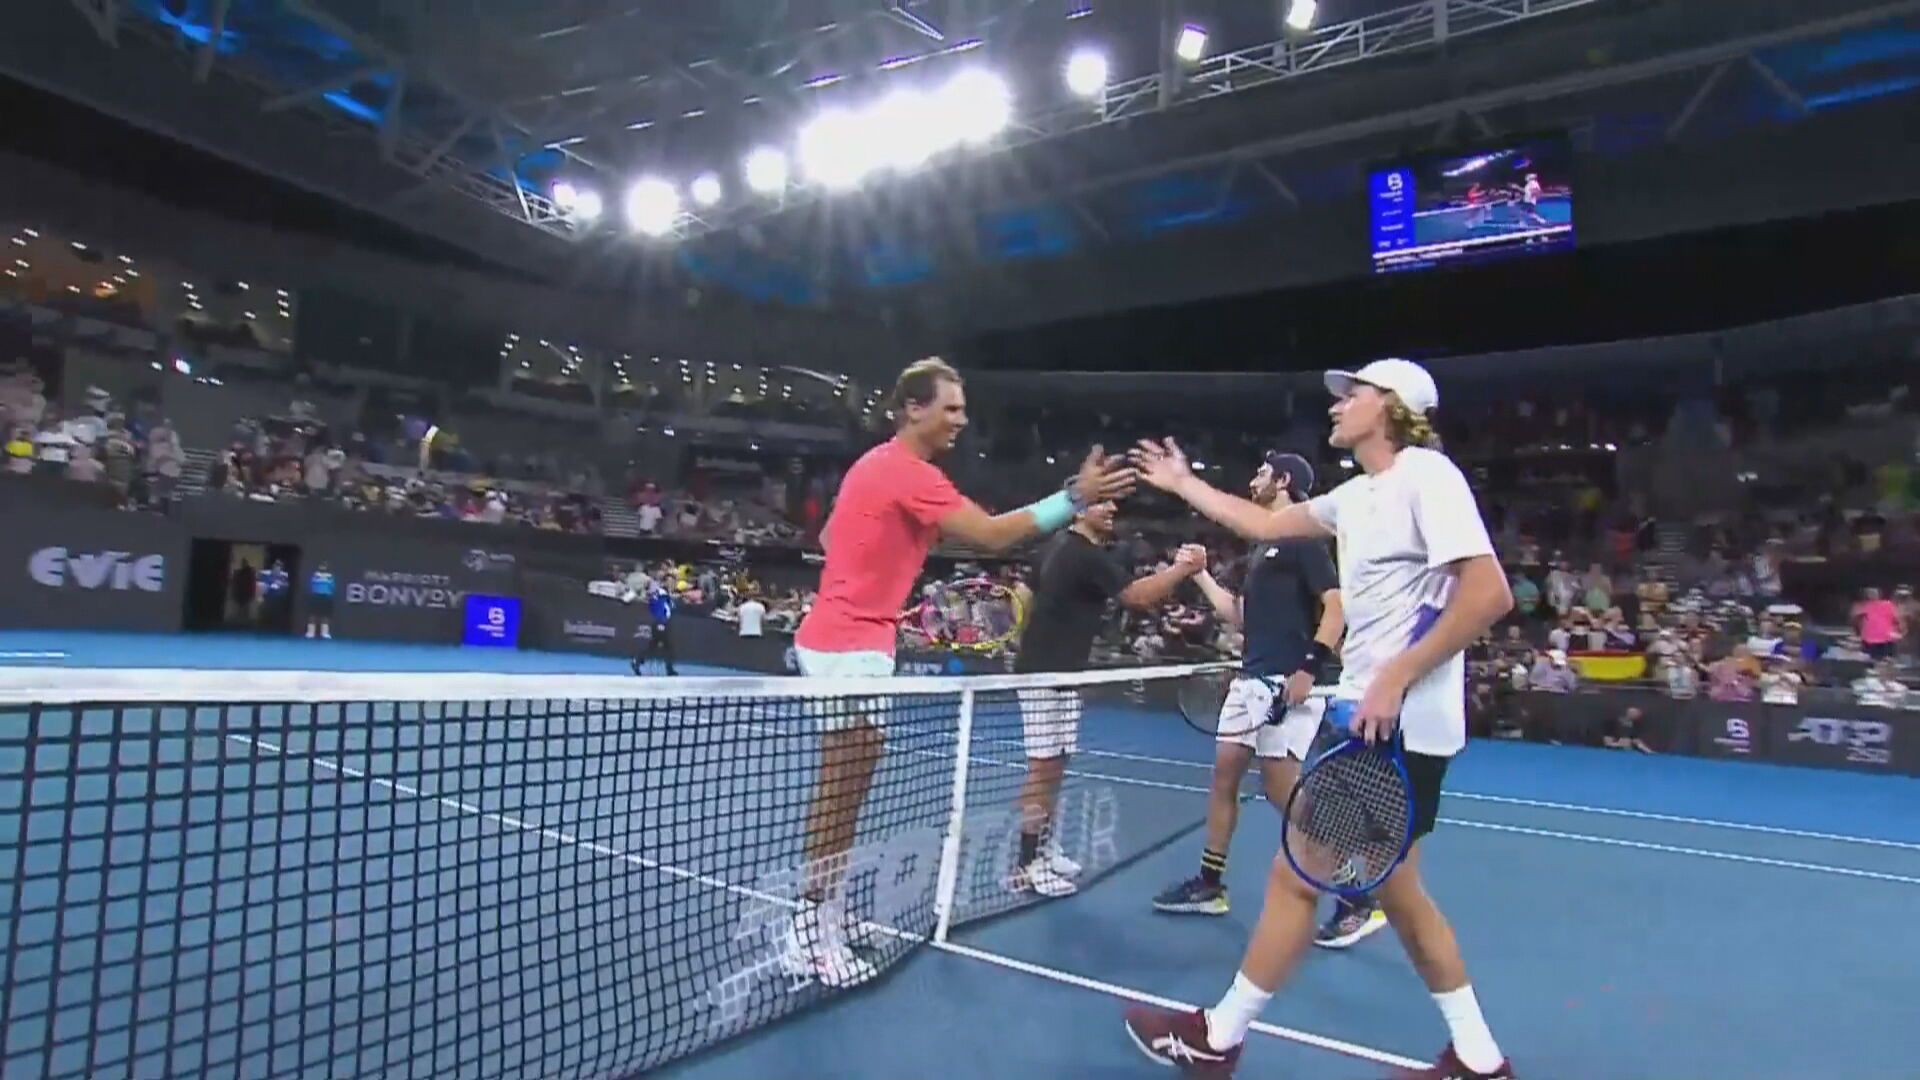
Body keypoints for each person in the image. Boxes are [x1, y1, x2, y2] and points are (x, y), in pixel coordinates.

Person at [1122, 358, 1517, 1079]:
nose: (1337, 405)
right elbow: (1267, 520)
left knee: (1296, 876)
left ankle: (1217, 1039)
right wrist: (1184, 484)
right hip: (1378, 719)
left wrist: (1394, 677)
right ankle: (1480, 1059)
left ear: (1391, 407)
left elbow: (1489, 593)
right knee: (1398, 891)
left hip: (1387, 724)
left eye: (1353, 393)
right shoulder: (1356, 496)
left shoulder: (1427, 476)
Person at [782, 357, 1134, 988]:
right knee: (841, 793)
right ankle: (809, 932)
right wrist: (1074, 496)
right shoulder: (909, 473)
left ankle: (823, 914)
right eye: (950, 408)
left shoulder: (876, 467)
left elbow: (836, 536)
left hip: (850, 636)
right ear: (913, 408)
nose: (961, 421)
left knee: (847, 791)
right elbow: (995, 536)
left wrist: (879, 590)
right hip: (848, 646)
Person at [1149, 451, 1379, 949]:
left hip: (1285, 682)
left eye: (1261, 471)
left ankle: (1355, 896)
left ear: (1283, 480)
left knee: (1284, 794)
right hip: (1250, 681)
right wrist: (1201, 573)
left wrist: (1309, 667)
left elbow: (1336, 607)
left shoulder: (1301, 539)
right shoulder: (1264, 550)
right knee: (1225, 776)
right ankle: (1210, 885)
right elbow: (1238, 616)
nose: (1252, 477)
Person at [1011, 503, 1208, 899]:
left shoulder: (1053, 547)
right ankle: (1026, 865)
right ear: (1080, 507)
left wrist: (1021, 636)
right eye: (1103, 500)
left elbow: (1020, 595)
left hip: (1059, 672)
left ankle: (1045, 849)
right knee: (1043, 768)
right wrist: (1183, 570)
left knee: (1056, 763)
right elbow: (1136, 597)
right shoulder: (1084, 553)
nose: (1114, 507)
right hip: (1047, 675)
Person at [632, 580, 678, 675]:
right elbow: (665, 606)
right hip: (660, 623)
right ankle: (669, 669)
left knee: (654, 646)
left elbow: (671, 605)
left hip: (661, 622)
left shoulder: (658, 596)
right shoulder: (659, 593)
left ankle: (637, 661)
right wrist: (661, 623)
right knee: (667, 647)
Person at [305, 562, 334, 639]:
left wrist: (329, 594)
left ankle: (324, 633)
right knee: (313, 615)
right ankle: (310, 632)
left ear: (327, 567)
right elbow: (311, 584)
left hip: (326, 597)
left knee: (325, 615)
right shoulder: (315, 575)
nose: (323, 568)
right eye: (321, 566)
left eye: (324, 566)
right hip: (316, 596)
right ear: (319, 567)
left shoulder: (330, 576)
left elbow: (332, 587)